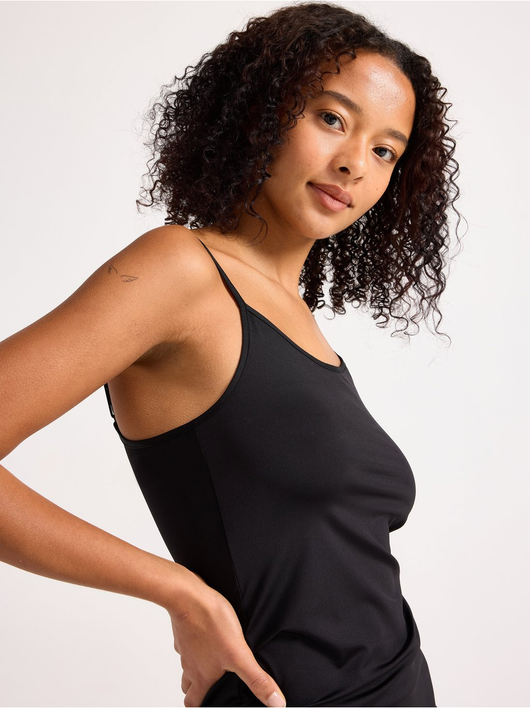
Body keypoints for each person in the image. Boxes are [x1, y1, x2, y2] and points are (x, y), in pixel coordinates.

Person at [0, 2, 462, 706]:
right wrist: (182, 593)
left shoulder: (297, 322)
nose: (352, 163)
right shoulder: (179, 272)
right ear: (262, 110)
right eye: (331, 118)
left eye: (384, 151)